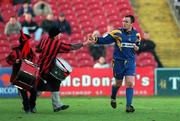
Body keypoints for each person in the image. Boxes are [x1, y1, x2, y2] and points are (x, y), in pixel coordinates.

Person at [88, 15, 141, 113]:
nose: (123, 23)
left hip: (130, 62)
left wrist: (137, 48)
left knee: (130, 83)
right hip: (118, 62)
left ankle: (128, 106)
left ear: (131, 23)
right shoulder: (117, 33)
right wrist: (95, 39)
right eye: (123, 21)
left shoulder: (137, 34)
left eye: (126, 21)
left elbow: (138, 46)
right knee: (118, 83)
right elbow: (105, 40)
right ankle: (113, 97)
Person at [35, 24, 90, 112]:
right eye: (59, 34)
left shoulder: (44, 39)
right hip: (46, 69)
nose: (61, 35)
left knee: (55, 83)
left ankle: (57, 105)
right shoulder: (57, 44)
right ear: (56, 35)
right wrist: (84, 43)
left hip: (43, 67)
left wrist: (46, 54)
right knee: (40, 88)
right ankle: (29, 104)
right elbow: (71, 47)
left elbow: (37, 49)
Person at [6, 30, 37, 113]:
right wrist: (14, 61)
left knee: (34, 92)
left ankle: (31, 106)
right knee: (24, 94)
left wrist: (32, 63)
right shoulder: (15, 51)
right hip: (18, 76)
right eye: (27, 41)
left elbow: (34, 59)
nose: (28, 43)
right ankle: (27, 109)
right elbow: (8, 60)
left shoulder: (30, 51)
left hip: (28, 75)